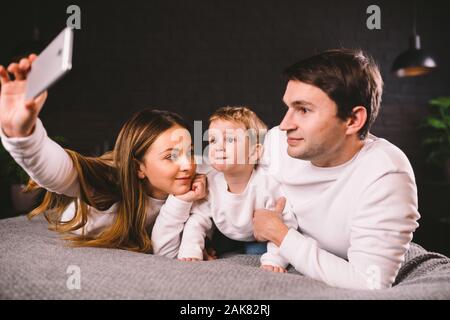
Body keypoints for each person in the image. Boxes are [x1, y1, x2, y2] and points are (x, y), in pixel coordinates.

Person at [0, 54, 208, 254]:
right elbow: (61, 172)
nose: (188, 165)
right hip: (84, 217)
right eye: (171, 156)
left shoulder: (197, 174)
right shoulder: (110, 182)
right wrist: (22, 136)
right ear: (139, 168)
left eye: (189, 152)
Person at [252, 49, 421, 289]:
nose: (284, 125)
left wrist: (279, 234)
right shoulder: (277, 144)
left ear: (353, 120)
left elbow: (371, 282)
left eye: (304, 110)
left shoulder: (386, 174)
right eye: (289, 107)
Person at [175, 106, 298, 273]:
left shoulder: (267, 185)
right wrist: (191, 251)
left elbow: (285, 224)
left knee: (257, 250)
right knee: (214, 242)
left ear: (254, 152)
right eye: (212, 140)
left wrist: (275, 260)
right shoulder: (211, 181)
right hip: (225, 233)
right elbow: (198, 219)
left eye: (231, 140)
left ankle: (257, 251)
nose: (218, 147)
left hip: (259, 236)